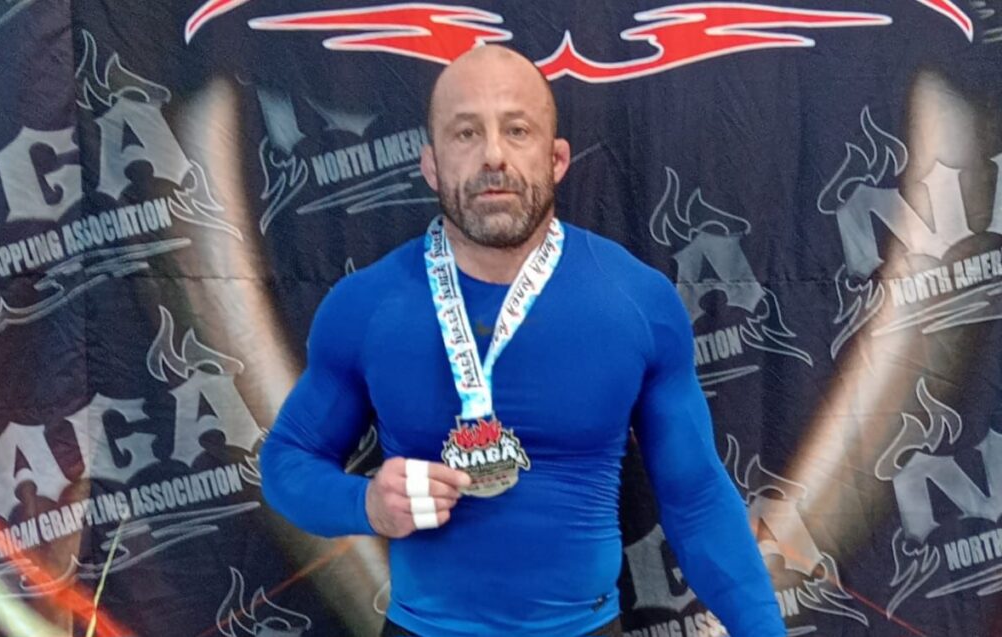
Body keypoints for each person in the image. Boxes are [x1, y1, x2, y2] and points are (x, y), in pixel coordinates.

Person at [261, 45, 785, 637]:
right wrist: (365, 505)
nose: (493, 155)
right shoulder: (365, 306)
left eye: (517, 130)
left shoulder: (637, 302)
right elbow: (286, 463)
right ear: (431, 165)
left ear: (556, 158)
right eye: (466, 133)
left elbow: (697, 499)